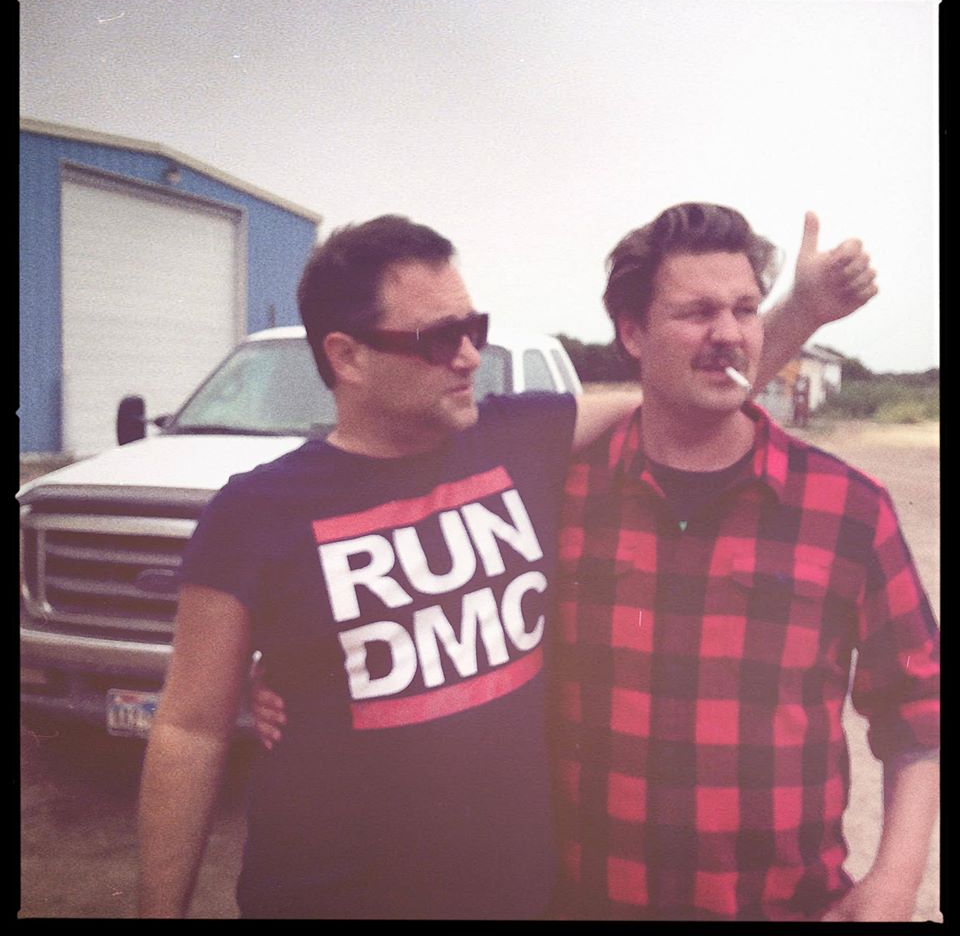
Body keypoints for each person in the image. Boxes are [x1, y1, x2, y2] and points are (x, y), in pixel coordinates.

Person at [138, 211, 878, 919]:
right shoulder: (256, 511)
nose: (469, 356)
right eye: (438, 338)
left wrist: (802, 310)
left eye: (474, 329)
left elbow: (686, 392)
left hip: (520, 900)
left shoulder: (520, 438)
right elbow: (191, 728)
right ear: (347, 356)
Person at [551, 203, 939, 921]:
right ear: (632, 333)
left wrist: (895, 882)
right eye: (697, 311)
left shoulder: (848, 508)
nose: (728, 333)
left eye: (745, 310)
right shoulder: (560, 499)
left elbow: (921, 710)